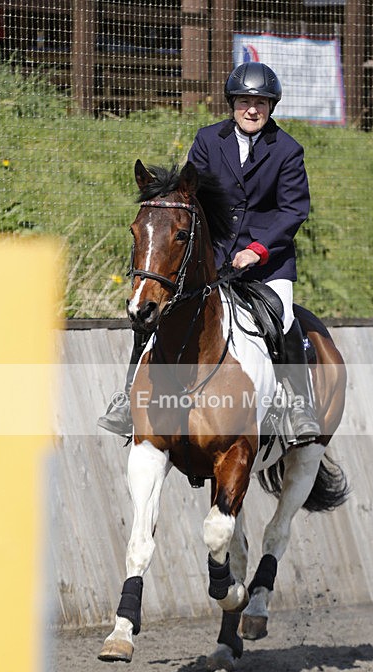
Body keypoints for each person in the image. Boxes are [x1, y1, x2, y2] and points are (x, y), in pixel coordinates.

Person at [98, 62, 320, 445]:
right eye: (245, 101)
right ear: (232, 103)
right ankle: (125, 396)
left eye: (261, 102)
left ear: (271, 107)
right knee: (155, 313)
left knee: (283, 319)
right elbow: (190, 200)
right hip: (211, 259)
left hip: (268, 263)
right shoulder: (207, 141)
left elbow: (292, 210)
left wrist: (257, 250)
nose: (253, 109)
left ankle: (298, 404)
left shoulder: (287, 150)